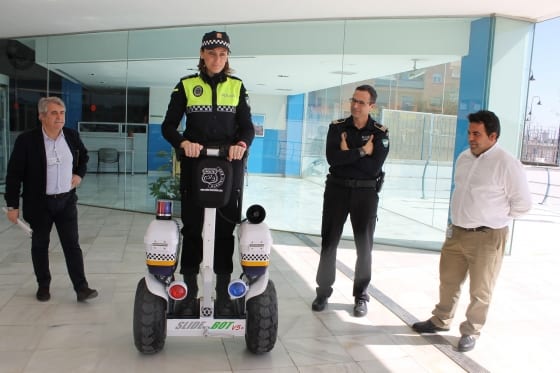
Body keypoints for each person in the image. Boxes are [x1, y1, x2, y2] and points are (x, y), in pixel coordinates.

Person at [412, 110, 532, 352]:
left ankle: (471, 331)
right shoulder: (464, 157)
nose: (471, 138)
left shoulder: (507, 164)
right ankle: (440, 320)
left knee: (480, 289)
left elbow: (523, 204)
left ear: (493, 136)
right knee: (448, 282)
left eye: (477, 133)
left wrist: (495, 218)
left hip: (488, 238)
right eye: (469, 132)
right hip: (456, 233)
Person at [161, 31, 255, 316]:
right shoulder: (186, 86)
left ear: (227, 57)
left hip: (229, 165)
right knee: (192, 228)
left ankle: (224, 294)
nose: (217, 59)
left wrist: (241, 144)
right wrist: (183, 142)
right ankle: (189, 293)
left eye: (222, 54)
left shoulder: (237, 87)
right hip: (195, 163)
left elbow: (247, 127)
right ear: (202, 54)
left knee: (225, 230)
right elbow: (168, 126)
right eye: (212, 53)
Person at [4, 96, 98, 302]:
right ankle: (43, 286)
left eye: (62, 113)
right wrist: (12, 205)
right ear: (42, 116)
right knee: (40, 245)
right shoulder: (27, 140)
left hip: (66, 201)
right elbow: (14, 174)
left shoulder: (71, 136)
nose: (59, 117)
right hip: (39, 204)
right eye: (54, 113)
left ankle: (81, 288)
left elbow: (84, 156)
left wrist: (79, 175)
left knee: (72, 245)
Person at [312, 85, 390, 317]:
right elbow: (332, 160)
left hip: (365, 194)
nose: (355, 106)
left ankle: (361, 296)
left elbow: (373, 168)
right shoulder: (337, 128)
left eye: (362, 102)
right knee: (329, 243)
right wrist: (361, 152)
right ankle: (323, 292)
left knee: (364, 247)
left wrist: (348, 154)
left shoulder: (380, 133)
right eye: (353, 100)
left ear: (371, 106)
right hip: (337, 191)